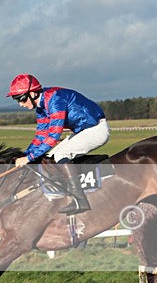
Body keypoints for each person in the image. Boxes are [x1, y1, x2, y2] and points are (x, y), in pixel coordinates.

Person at [7, 73, 110, 214]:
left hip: (96, 129)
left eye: (21, 98)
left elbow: (53, 136)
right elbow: (41, 135)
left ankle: (80, 199)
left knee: (61, 153)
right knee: (50, 156)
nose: (20, 103)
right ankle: (68, 189)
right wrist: (26, 154)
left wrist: (29, 158)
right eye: (16, 99)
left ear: (32, 93)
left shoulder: (55, 100)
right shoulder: (41, 107)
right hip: (82, 131)